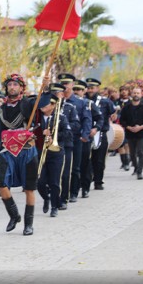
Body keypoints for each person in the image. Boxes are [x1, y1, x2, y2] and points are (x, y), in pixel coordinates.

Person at [0, 74, 39, 236]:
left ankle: (28, 224)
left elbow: (44, 103)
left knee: (29, 188)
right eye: (10, 84)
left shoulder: (29, 103)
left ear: (21, 88)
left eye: (16, 85)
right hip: (7, 151)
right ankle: (14, 215)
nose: (12, 87)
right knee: (1, 183)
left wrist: (45, 86)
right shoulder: (1, 108)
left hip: (26, 150)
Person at [58, 73, 92, 204]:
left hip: (75, 139)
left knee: (75, 168)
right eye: (62, 83)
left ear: (72, 85)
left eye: (67, 83)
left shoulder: (80, 102)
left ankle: (73, 192)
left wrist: (85, 134)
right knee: (61, 168)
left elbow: (87, 119)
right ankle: (60, 192)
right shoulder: (56, 100)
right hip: (60, 139)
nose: (64, 86)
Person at [37, 94, 70, 218]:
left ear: (53, 105)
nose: (43, 106)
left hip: (56, 153)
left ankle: (55, 206)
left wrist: (53, 135)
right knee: (40, 182)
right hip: (41, 152)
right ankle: (46, 198)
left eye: (47, 104)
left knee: (54, 182)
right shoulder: (38, 119)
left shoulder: (61, 118)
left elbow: (67, 133)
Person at [51, 83, 79, 211]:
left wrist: (60, 129)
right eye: (53, 93)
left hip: (65, 145)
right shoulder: (47, 108)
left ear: (62, 94)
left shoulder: (70, 108)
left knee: (65, 174)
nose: (55, 96)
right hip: (48, 145)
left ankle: (63, 199)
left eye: (57, 93)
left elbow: (76, 125)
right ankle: (52, 199)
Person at [72, 79, 103, 199]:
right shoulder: (68, 102)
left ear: (84, 91)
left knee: (84, 163)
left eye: (79, 90)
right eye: (75, 89)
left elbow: (100, 118)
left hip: (84, 138)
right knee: (73, 165)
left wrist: (95, 128)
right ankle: (73, 189)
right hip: (72, 137)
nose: (76, 92)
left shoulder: (88, 103)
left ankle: (85, 188)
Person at [86, 78, 116, 191]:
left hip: (101, 133)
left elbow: (113, 114)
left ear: (97, 88)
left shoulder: (105, 101)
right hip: (87, 133)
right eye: (88, 88)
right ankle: (85, 181)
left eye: (92, 88)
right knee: (86, 158)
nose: (90, 90)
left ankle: (98, 182)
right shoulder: (83, 100)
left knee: (99, 159)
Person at [119, 87, 143, 180]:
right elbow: (122, 120)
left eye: (138, 93)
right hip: (130, 133)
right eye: (134, 93)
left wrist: (141, 126)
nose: (136, 95)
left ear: (141, 95)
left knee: (141, 152)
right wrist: (128, 127)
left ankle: (139, 172)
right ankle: (135, 167)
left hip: (142, 133)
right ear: (131, 94)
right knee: (132, 154)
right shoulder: (126, 108)